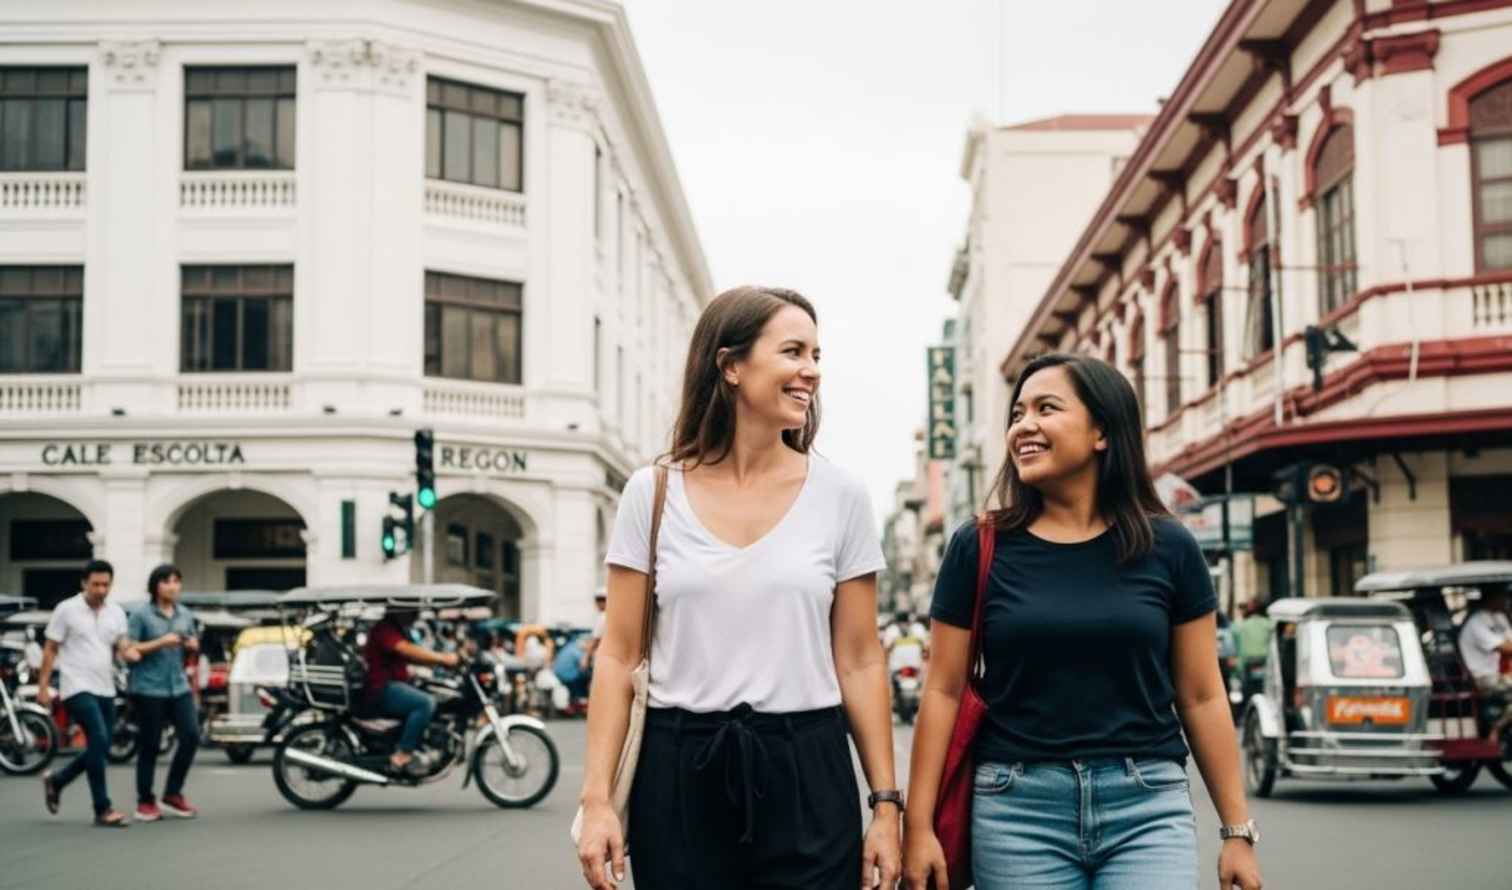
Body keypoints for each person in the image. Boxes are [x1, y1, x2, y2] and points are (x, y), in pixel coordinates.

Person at [576, 286, 901, 890]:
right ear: (730, 366)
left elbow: (858, 660)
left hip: (808, 764)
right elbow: (618, 654)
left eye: (817, 355)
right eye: (793, 351)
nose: (811, 371)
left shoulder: (841, 496)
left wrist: (885, 806)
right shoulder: (652, 493)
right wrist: (597, 800)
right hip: (680, 769)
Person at [902, 353, 1263, 890]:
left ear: (1101, 431)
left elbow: (1202, 694)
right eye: (1018, 413)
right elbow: (943, 692)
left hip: (1147, 806)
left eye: (1046, 408)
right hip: (1016, 809)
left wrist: (1237, 830)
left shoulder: (1170, 546)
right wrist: (918, 825)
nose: (1024, 425)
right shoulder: (977, 546)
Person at [39, 560, 140, 827]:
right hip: (76, 686)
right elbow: (50, 649)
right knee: (97, 737)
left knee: (102, 746)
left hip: (105, 686)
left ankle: (58, 780)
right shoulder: (66, 609)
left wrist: (132, 652)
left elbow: (122, 645)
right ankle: (102, 809)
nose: (100, 589)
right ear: (84, 583)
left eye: (106, 584)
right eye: (95, 584)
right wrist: (43, 687)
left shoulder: (116, 613)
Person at [126, 564, 202, 821]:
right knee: (150, 744)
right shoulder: (141, 615)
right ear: (155, 586)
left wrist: (192, 645)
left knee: (191, 736)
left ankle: (172, 793)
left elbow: (191, 643)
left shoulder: (185, 614)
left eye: (176, 581)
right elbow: (130, 649)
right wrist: (160, 642)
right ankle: (145, 800)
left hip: (178, 686)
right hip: (149, 687)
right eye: (167, 581)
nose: (173, 586)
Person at [362, 607, 462, 775]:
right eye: (411, 610)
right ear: (397, 610)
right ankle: (403, 754)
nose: (415, 615)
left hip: (393, 684)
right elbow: (405, 649)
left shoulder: (398, 629)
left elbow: (410, 656)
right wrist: (442, 658)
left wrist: (436, 663)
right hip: (381, 688)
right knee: (425, 702)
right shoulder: (385, 629)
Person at [1458, 585, 1512, 745]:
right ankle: (1497, 728)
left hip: (1500, 675)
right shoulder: (1476, 623)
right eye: (1504, 597)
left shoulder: (1500, 618)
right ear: (1493, 598)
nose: (1507, 601)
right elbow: (1505, 648)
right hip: (1483, 678)